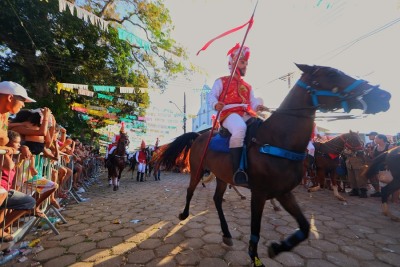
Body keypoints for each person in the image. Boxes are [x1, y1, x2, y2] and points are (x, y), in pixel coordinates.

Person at [208, 44, 268, 186]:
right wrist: (216, 104)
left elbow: (252, 102)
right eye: (242, 62)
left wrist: (257, 106)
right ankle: (237, 171)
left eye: (246, 63)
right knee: (240, 128)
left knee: (263, 127)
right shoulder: (221, 81)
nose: (245, 65)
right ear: (233, 63)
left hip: (245, 113)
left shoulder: (248, 86)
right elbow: (211, 96)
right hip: (229, 114)